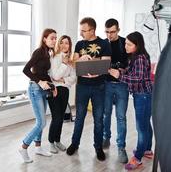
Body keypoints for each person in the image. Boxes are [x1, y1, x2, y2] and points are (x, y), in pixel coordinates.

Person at [66, 17, 111, 161]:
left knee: (98, 119)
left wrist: (95, 65)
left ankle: (98, 147)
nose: (81, 33)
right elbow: (73, 64)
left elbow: (106, 63)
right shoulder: (79, 44)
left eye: (84, 31)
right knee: (79, 117)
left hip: (99, 86)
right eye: (81, 30)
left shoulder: (104, 44)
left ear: (92, 30)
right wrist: (81, 58)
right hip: (83, 86)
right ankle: (75, 143)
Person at [108, 31, 153, 170]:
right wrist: (122, 71)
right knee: (146, 124)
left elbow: (136, 79)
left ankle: (138, 158)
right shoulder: (138, 56)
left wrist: (118, 76)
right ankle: (147, 150)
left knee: (141, 127)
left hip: (143, 95)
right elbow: (134, 72)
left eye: (129, 44)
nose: (125, 46)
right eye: (125, 43)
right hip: (144, 94)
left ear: (136, 45)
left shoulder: (139, 58)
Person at [19, 28, 57, 163]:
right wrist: (40, 82)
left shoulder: (48, 52)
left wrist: (52, 86)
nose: (54, 40)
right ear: (44, 39)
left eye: (55, 38)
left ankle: (38, 147)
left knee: (40, 121)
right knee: (41, 122)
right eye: (52, 38)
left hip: (43, 89)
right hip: (35, 89)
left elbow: (44, 72)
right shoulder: (39, 52)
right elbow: (25, 70)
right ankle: (24, 147)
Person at [102, 18, 129, 163]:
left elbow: (130, 65)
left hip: (121, 86)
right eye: (107, 32)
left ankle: (121, 147)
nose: (109, 35)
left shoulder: (125, 43)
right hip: (106, 84)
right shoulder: (102, 43)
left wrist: (120, 69)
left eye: (112, 32)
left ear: (118, 30)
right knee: (106, 114)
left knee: (121, 117)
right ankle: (106, 137)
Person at [48, 35, 76, 154]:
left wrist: (64, 80)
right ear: (58, 44)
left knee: (61, 118)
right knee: (56, 118)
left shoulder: (71, 60)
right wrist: (64, 65)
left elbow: (73, 78)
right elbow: (55, 76)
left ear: (70, 45)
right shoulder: (55, 57)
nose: (64, 45)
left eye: (67, 43)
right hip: (54, 90)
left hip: (65, 91)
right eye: (62, 43)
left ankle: (57, 140)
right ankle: (51, 142)